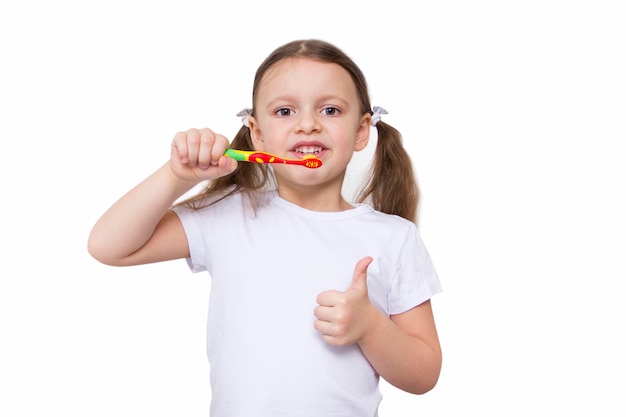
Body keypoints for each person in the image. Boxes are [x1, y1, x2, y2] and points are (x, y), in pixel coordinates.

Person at [88, 38, 443, 416]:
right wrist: (176, 177)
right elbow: (109, 246)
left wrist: (371, 327)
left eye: (330, 109)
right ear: (257, 134)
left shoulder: (394, 237)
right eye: (286, 110)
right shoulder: (229, 215)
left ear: (361, 130)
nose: (308, 123)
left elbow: (423, 375)